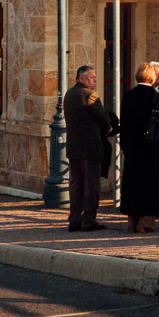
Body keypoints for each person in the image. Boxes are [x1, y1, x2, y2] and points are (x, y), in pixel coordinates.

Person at [119, 62, 159, 232]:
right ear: (151, 76)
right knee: (150, 185)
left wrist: (124, 145)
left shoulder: (128, 95)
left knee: (133, 184)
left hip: (133, 149)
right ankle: (146, 222)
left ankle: (131, 221)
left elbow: (125, 123)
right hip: (153, 149)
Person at [64, 65, 109, 232]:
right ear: (81, 79)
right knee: (91, 185)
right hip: (90, 148)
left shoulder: (69, 94)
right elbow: (104, 118)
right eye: (91, 78)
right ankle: (88, 220)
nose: (95, 80)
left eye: (95, 77)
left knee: (76, 184)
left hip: (74, 147)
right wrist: (109, 126)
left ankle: (74, 219)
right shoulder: (90, 95)